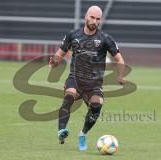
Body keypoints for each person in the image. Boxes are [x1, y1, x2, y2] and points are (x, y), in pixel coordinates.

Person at [48, 5, 126, 150]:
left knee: (97, 105)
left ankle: (82, 134)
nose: (94, 21)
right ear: (86, 16)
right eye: (92, 17)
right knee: (69, 95)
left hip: (94, 83)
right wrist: (54, 62)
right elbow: (60, 53)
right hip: (75, 78)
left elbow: (119, 59)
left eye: (97, 19)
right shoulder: (73, 35)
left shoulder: (105, 39)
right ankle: (61, 131)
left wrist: (121, 76)